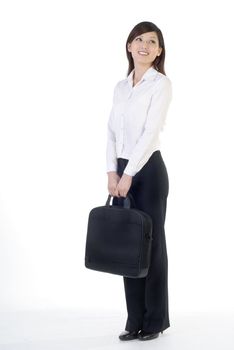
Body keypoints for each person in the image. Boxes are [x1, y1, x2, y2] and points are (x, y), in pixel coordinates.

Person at [106, 21, 173, 342]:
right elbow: (111, 131)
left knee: (152, 246)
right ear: (129, 46)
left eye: (152, 41)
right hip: (121, 171)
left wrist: (129, 173)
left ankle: (155, 320)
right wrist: (111, 171)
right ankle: (134, 320)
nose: (144, 45)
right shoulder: (121, 86)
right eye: (139, 39)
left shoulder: (161, 84)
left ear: (159, 51)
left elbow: (149, 133)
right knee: (127, 247)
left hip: (147, 171)